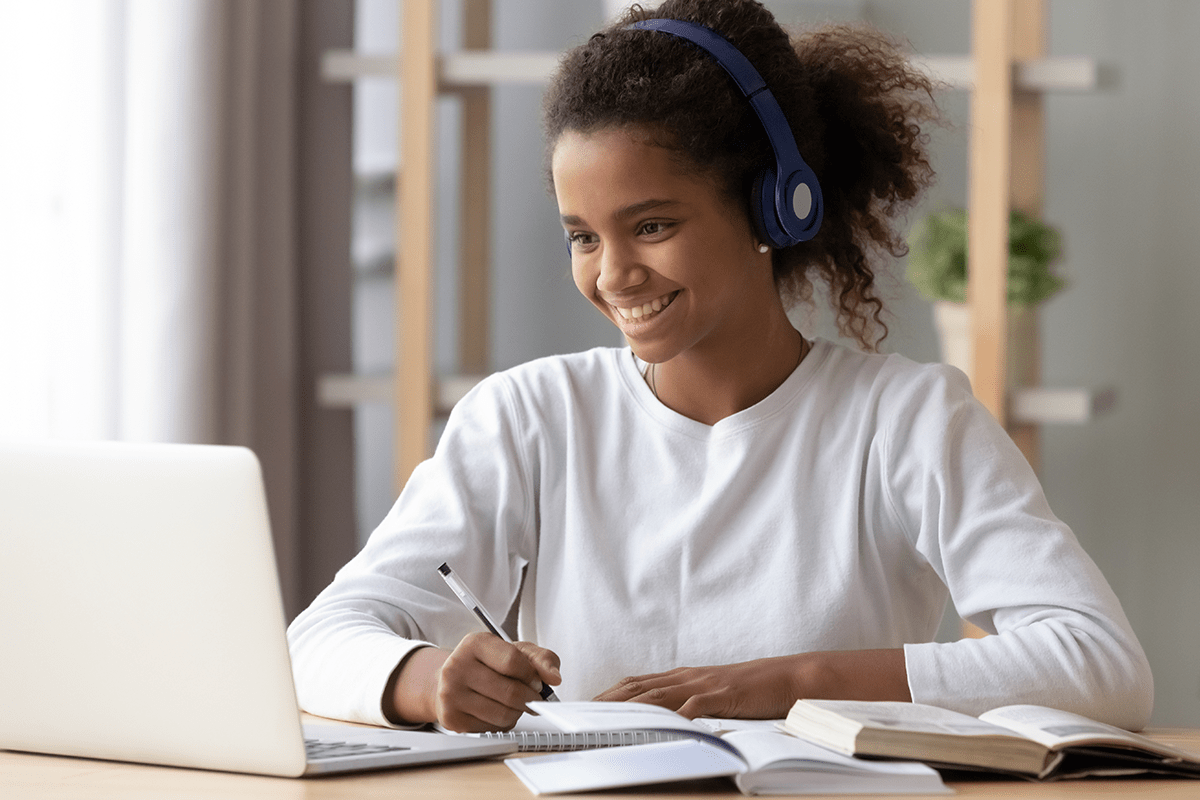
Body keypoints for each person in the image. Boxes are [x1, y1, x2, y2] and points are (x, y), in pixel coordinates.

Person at [287, 0, 1153, 734]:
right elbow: (314, 642)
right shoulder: (528, 416)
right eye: (583, 237)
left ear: (777, 203)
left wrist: (784, 684)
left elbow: (1104, 666)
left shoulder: (910, 418)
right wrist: (425, 678)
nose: (613, 274)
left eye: (653, 225)